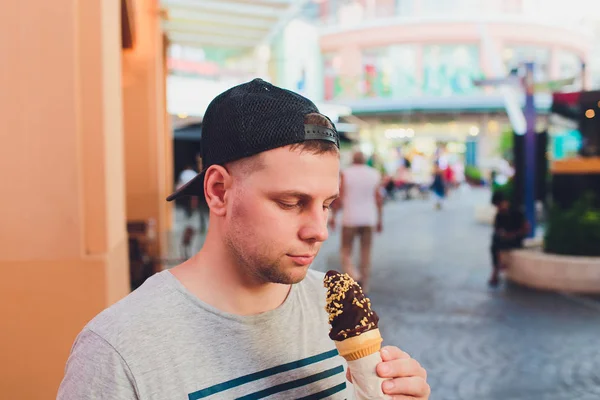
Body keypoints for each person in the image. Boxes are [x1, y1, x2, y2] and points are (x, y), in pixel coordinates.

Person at [58, 79, 430, 399]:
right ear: (218, 191)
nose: (319, 230)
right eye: (291, 202)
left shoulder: (330, 307)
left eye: (328, 204)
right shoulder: (117, 353)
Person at [329, 151, 383, 294]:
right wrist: (379, 219)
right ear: (364, 160)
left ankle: (354, 275)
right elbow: (378, 198)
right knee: (366, 253)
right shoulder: (374, 174)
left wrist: (333, 216)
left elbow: (339, 197)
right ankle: (363, 286)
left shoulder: (346, 173)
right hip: (369, 218)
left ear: (353, 159)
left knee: (345, 251)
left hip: (350, 218)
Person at [489, 191, 529, 287]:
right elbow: (497, 229)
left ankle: (496, 270)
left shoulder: (516, 211)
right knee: (495, 242)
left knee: (497, 243)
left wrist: (513, 234)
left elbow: (525, 228)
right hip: (504, 239)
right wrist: (502, 234)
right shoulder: (499, 215)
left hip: (516, 239)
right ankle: (497, 268)